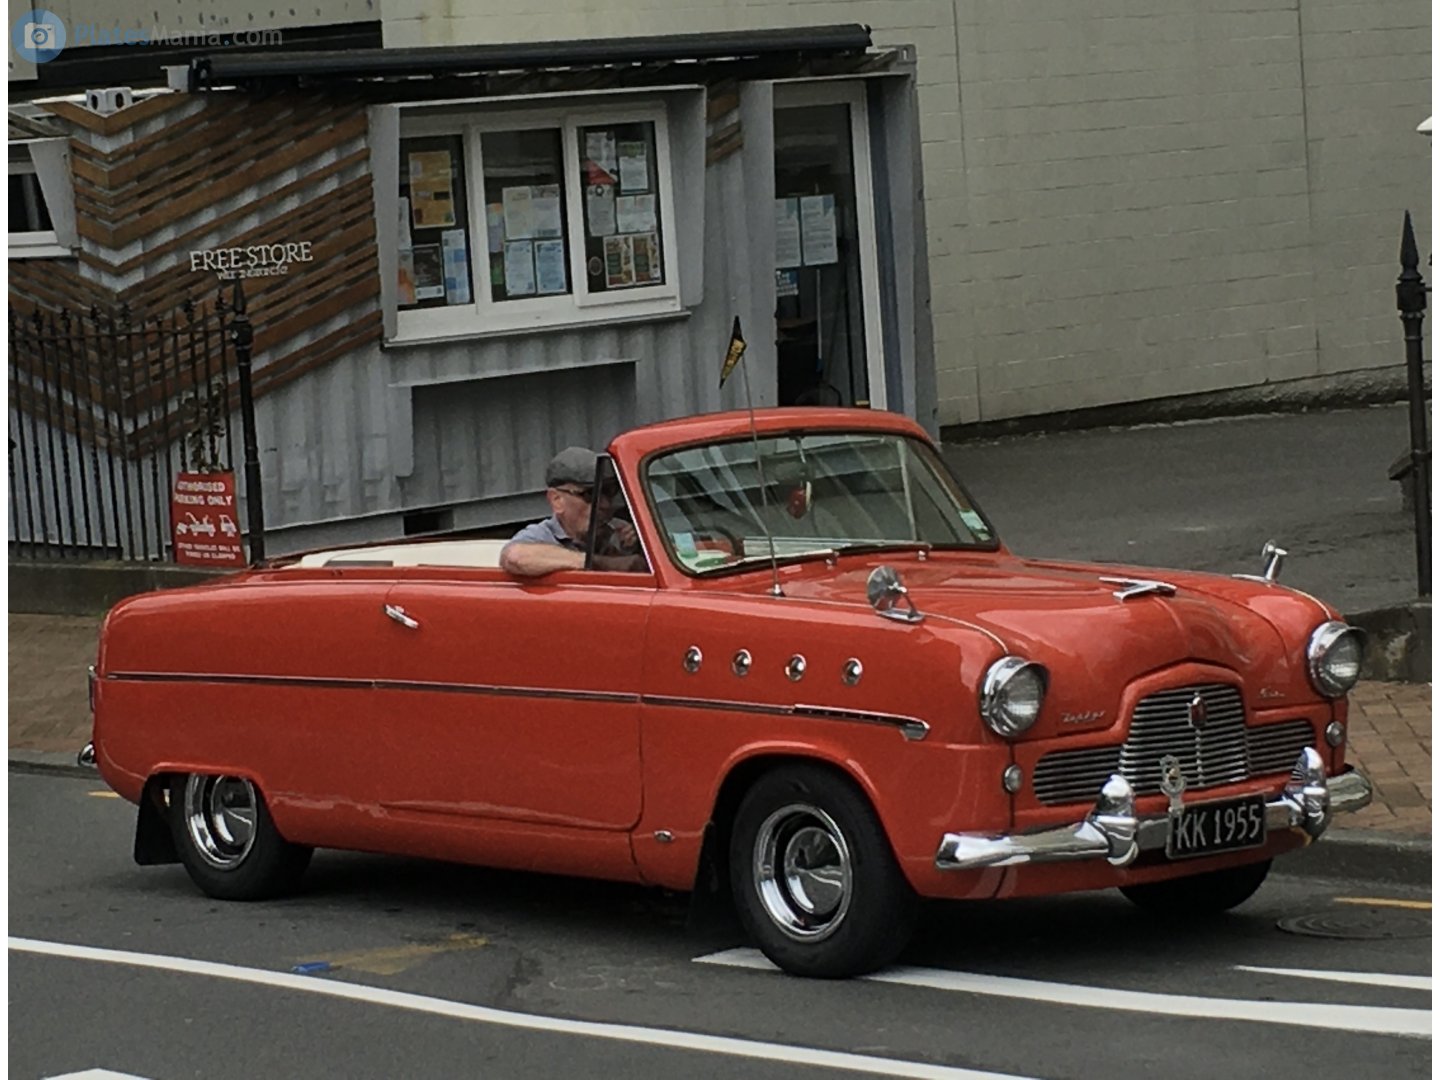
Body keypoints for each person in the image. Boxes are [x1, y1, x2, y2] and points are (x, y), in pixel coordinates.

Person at [499, 446, 645, 576]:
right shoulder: (543, 535)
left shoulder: (618, 533)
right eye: (590, 494)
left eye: (609, 492)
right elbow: (514, 557)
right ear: (557, 500)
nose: (605, 504)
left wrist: (634, 548)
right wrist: (601, 563)